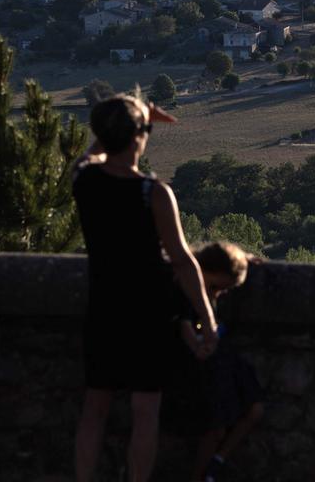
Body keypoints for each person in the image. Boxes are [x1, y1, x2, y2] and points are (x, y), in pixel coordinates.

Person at [73, 93, 217, 482]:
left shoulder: (84, 181)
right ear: (140, 136)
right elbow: (183, 260)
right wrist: (207, 318)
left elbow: (86, 158)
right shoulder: (153, 193)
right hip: (148, 314)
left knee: (95, 407)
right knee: (145, 410)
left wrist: (123, 122)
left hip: (103, 308)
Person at [169, 242, 265, 482]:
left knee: (253, 410)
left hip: (216, 358)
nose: (216, 295)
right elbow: (184, 326)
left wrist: (243, 258)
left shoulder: (206, 281)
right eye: (216, 287)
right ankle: (204, 474)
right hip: (197, 365)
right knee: (214, 426)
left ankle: (215, 463)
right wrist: (199, 346)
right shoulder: (184, 289)